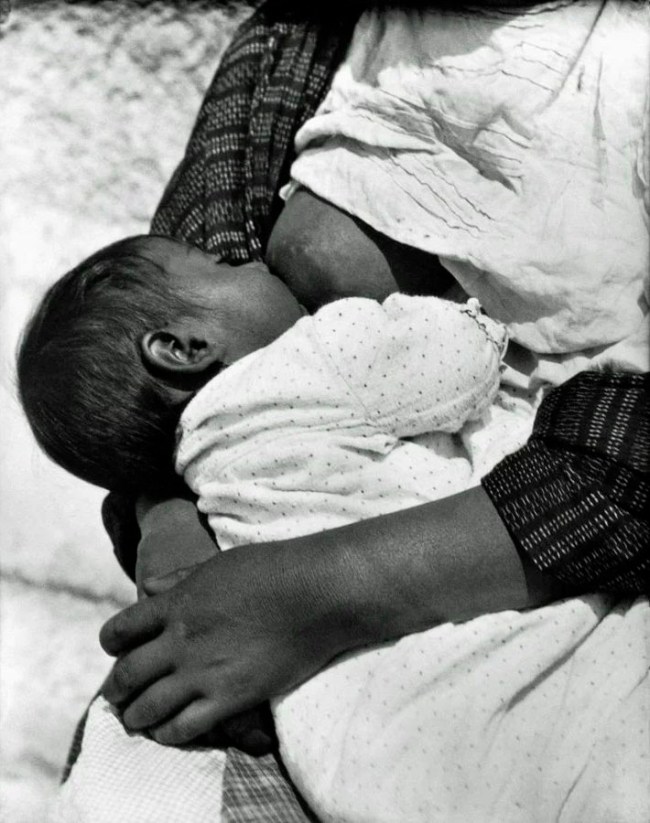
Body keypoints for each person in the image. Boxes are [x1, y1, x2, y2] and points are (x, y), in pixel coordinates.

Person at [56, 0, 649, 819]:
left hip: (558, 564)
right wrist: (170, 515)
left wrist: (318, 591)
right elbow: (175, 306)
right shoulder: (301, 37)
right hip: (301, 651)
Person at [20, 234, 648, 823]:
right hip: (510, 647)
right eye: (224, 266)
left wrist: (161, 508)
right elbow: (458, 356)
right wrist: (476, 308)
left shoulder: (206, 477)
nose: (257, 260)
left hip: (367, 759)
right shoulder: (316, 358)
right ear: (182, 349)